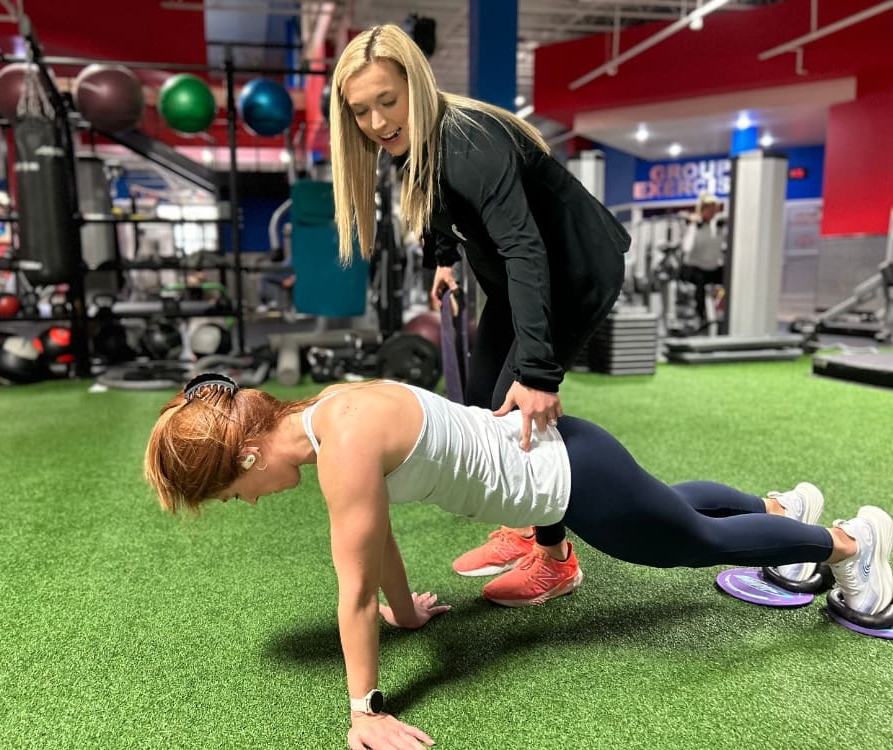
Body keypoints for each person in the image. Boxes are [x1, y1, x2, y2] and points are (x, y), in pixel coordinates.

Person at [144, 373, 893, 750]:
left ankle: (852, 544)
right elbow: (375, 546)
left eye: (232, 492)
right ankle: (777, 514)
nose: (247, 502)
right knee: (668, 505)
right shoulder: (332, 411)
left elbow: (352, 586)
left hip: (569, 483)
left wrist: (364, 712)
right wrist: (405, 613)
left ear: (244, 453)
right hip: (572, 462)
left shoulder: (342, 442)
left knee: (690, 543)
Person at [328, 25, 631, 599]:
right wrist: (443, 260)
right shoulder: (410, 143)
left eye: (387, 102)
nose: (376, 122)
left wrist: (539, 374)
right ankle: (524, 525)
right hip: (520, 279)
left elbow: (525, 249)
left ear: (415, 84)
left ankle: (554, 556)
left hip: (571, 275)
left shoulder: (469, 144)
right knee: (485, 408)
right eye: (361, 110)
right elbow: (436, 203)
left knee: (521, 414)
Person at [680, 192, 726, 332]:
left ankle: (720, 315)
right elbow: (686, 246)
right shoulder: (695, 225)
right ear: (702, 209)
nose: (712, 212)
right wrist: (692, 223)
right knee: (699, 289)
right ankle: (700, 318)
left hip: (713, 267)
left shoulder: (718, 225)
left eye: (715, 209)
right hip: (696, 268)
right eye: (709, 209)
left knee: (729, 280)